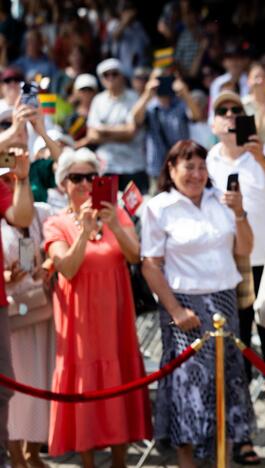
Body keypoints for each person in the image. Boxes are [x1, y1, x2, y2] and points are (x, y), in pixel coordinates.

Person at [140, 140, 257, 466]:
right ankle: (187, 461)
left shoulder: (220, 201)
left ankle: (223, 457)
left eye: (201, 167)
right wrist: (176, 311)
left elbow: (245, 248)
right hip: (184, 305)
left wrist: (240, 213)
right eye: (188, 167)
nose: (196, 174)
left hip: (224, 300)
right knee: (188, 385)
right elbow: (150, 264)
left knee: (227, 380)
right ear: (171, 169)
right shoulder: (159, 207)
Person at [44, 147, 151, 465]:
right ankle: (88, 462)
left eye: (91, 177)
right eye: (76, 177)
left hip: (115, 320)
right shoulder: (56, 223)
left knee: (118, 382)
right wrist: (84, 232)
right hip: (79, 325)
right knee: (84, 385)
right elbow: (67, 267)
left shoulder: (116, 214)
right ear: (63, 183)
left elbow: (135, 256)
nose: (85, 183)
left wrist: (114, 225)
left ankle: (120, 461)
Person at [206, 90, 265, 461]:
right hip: (231, 265)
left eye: (235, 110)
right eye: (222, 111)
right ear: (213, 123)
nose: (229, 115)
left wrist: (258, 155)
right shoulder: (207, 159)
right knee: (237, 353)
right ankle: (241, 433)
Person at [5, 190, 53, 468]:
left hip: (41, 306)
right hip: (11, 313)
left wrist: (46, 264)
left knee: (41, 383)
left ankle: (31, 451)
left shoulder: (40, 212)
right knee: (14, 389)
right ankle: (14, 455)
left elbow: (57, 241)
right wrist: (5, 277)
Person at [0, 137, 34, 465]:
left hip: (7, 303)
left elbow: (22, 219)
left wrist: (21, 179)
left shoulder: (3, 184)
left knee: (4, 387)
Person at [131, 69, 201, 186]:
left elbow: (196, 116)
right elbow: (135, 118)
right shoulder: (149, 105)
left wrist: (185, 93)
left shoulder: (181, 103)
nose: (162, 83)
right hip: (157, 169)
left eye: (166, 79)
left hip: (181, 166)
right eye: (158, 79)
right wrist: (147, 94)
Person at [86, 58, 146, 192]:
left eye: (114, 74)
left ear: (122, 76)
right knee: (103, 208)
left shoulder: (135, 98)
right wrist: (121, 131)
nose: (110, 78)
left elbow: (131, 133)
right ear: (101, 79)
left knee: (134, 211)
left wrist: (104, 131)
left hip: (133, 166)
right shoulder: (98, 100)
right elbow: (92, 136)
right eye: (106, 75)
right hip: (105, 166)